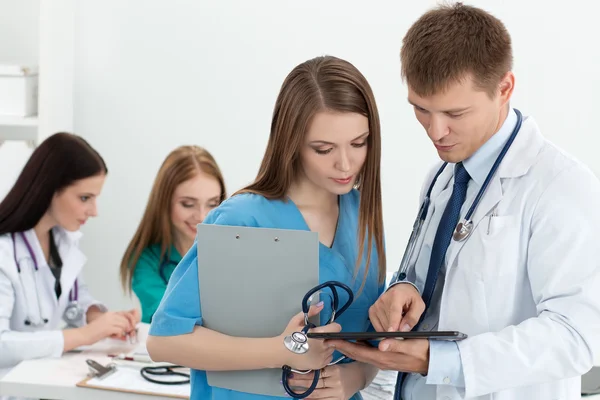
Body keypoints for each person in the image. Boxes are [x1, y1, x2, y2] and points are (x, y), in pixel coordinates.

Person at [330, 3, 600, 400]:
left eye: (455, 112)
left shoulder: (560, 185)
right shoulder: (442, 177)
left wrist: (443, 361)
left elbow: (578, 335)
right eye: (421, 109)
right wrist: (404, 290)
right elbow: (437, 285)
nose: (436, 131)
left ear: (504, 87)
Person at [146, 55, 387, 400]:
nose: (345, 164)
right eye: (323, 149)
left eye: (359, 143)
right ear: (292, 142)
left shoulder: (362, 214)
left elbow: (370, 340)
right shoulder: (242, 219)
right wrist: (282, 351)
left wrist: (357, 377)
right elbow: (164, 341)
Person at [0, 133, 140, 377]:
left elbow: (73, 300)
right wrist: (85, 335)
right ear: (49, 189)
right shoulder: (4, 251)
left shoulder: (63, 240)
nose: (94, 211)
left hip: (37, 383)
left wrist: (99, 318)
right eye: (85, 198)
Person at [120, 145, 226, 323]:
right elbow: (169, 320)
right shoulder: (146, 260)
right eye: (187, 204)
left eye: (213, 203)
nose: (201, 216)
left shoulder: (232, 254)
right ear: (164, 202)